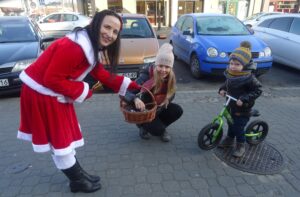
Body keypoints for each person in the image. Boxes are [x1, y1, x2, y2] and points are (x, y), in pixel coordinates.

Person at [17, 10, 140, 193]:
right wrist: (84, 91)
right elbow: (52, 79)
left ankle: (79, 175)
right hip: (42, 94)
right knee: (60, 141)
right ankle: (77, 181)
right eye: (107, 27)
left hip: (52, 93)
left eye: (115, 32)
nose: (110, 34)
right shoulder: (75, 47)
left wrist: (132, 86)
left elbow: (102, 75)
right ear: (95, 24)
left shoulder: (87, 44)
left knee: (64, 139)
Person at [123, 43, 183, 142]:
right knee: (157, 131)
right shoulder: (146, 76)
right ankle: (143, 127)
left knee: (178, 110)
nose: (163, 70)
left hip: (159, 108)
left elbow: (172, 92)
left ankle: (161, 127)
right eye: (160, 66)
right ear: (156, 65)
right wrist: (135, 98)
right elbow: (126, 91)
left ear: (170, 68)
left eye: (167, 67)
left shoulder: (170, 77)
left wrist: (167, 99)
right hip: (145, 111)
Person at [217, 41, 262, 157]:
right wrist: (222, 89)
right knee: (230, 122)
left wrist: (244, 98)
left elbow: (258, 90)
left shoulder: (249, 78)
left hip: (243, 108)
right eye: (231, 63)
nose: (233, 66)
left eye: (237, 64)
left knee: (238, 127)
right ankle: (229, 139)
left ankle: (241, 145)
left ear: (245, 65)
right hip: (231, 104)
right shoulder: (231, 74)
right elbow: (226, 84)